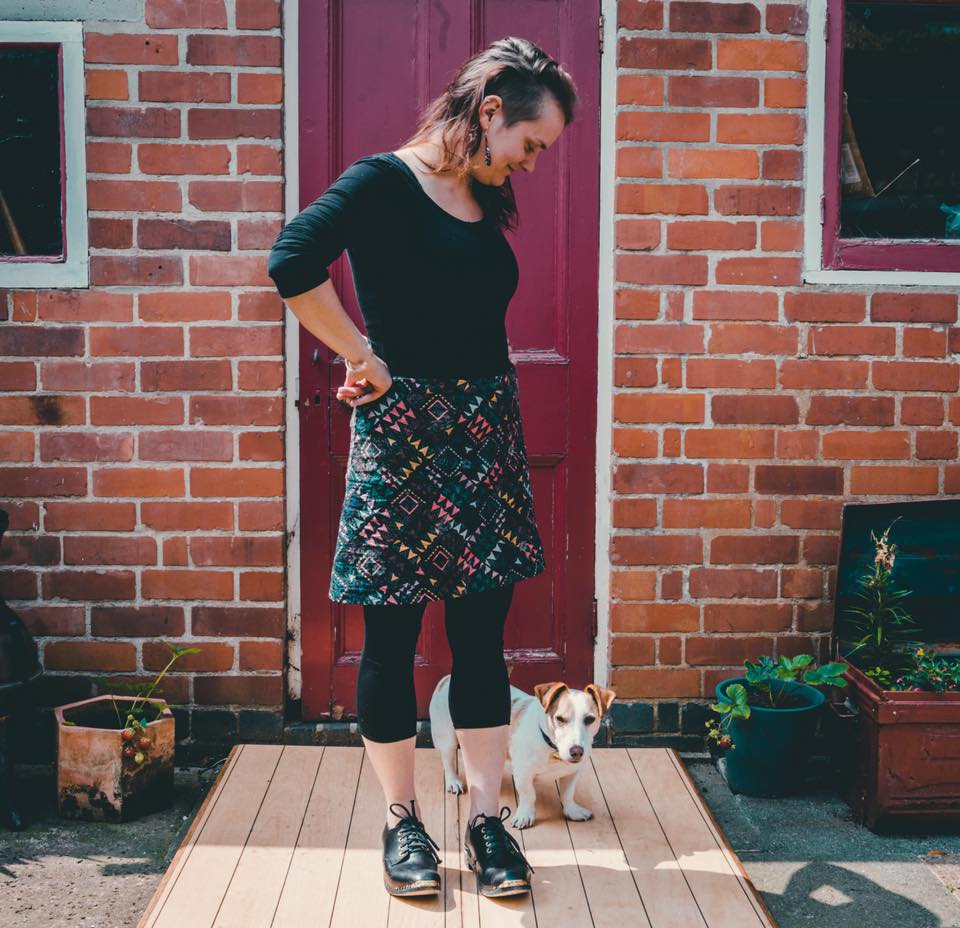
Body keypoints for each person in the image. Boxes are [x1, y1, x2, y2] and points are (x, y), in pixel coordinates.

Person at [267, 36, 577, 899]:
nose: (533, 160)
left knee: (482, 636)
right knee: (393, 637)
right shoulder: (381, 183)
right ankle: (402, 823)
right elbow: (292, 260)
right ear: (489, 113)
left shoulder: (485, 191)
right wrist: (361, 357)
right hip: (402, 433)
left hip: (485, 433)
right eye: (532, 142)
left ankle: (486, 822)